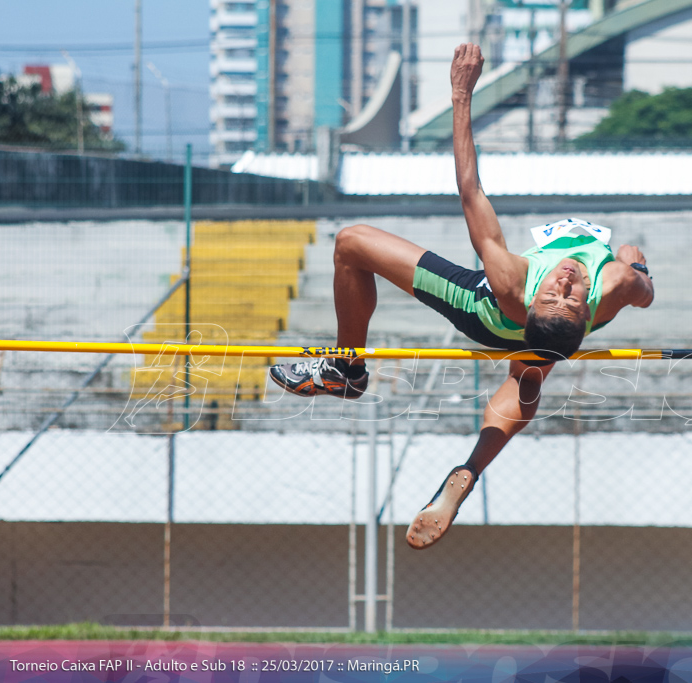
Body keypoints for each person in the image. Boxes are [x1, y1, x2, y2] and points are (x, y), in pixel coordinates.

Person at [268, 43, 654, 549]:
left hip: (496, 313)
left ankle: (348, 369)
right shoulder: (609, 288)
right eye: (564, 293)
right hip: (522, 327)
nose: (562, 284)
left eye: (561, 296)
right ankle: (462, 458)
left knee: (351, 242)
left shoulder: (517, 285)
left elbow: (472, 190)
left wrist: (461, 94)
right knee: (527, 375)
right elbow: (643, 290)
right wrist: (635, 264)